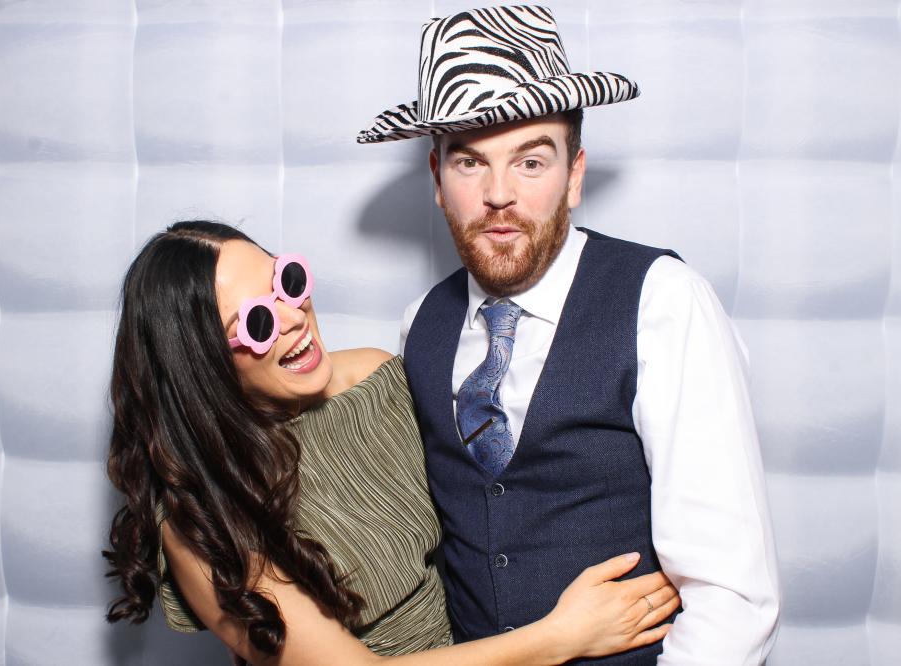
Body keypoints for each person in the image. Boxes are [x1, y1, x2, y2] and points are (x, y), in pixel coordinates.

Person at [358, 5, 780, 664]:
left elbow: (731, 600)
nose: (499, 193)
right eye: (470, 163)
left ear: (574, 174)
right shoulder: (422, 325)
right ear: (437, 180)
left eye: (531, 161)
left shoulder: (664, 303)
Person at [103, 221, 679, 665]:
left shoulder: (376, 379)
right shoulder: (199, 520)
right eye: (257, 324)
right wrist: (561, 637)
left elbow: (492, 501)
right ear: (201, 368)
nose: (294, 318)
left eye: (287, 283)